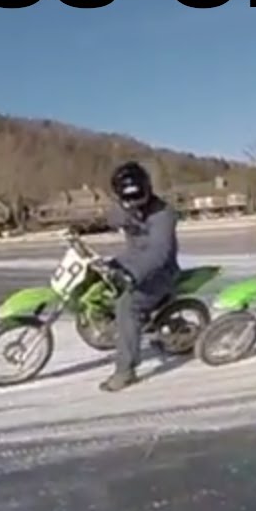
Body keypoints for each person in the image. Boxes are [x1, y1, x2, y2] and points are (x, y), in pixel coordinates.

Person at [98, 161, 180, 392]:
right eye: (128, 199)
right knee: (98, 276)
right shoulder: (125, 207)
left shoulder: (163, 214)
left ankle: (126, 370)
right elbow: (111, 218)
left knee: (128, 306)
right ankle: (108, 326)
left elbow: (159, 252)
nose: (134, 203)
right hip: (130, 260)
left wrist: (132, 275)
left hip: (161, 271)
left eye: (139, 197)